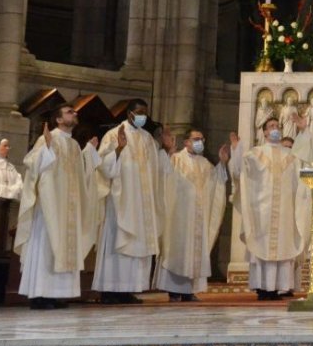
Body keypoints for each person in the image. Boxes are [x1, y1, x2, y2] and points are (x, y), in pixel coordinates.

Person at [15, 106, 100, 309]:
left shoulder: (73, 145)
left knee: (63, 247)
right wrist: (45, 148)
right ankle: (38, 295)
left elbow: (83, 176)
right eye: (70, 112)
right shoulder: (48, 138)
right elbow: (33, 165)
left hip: (68, 207)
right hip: (49, 207)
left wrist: (89, 152)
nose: (75, 114)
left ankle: (54, 294)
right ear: (58, 120)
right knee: (46, 247)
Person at [92, 100, 166, 304]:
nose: (143, 116)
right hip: (121, 200)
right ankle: (110, 290)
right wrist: (118, 150)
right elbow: (104, 166)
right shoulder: (114, 134)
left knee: (137, 245)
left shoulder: (148, 139)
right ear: (129, 113)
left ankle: (128, 289)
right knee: (120, 241)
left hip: (141, 202)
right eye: (139, 112)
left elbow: (156, 171)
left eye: (145, 113)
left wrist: (165, 150)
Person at [231, 117, 312, 300]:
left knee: (283, 246)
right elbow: (239, 173)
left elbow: (307, 164)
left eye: (277, 126)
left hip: (284, 211)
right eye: (271, 126)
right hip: (262, 210)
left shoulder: (291, 156)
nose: (275, 129)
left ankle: (279, 287)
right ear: (265, 132)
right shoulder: (255, 153)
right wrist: (236, 150)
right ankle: (262, 288)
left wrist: (304, 132)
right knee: (262, 246)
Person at [156, 129, 229, 301]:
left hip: (197, 217)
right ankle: (173, 290)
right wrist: (167, 151)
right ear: (186, 142)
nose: (200, 142)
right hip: (178, 216)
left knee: (193, 252)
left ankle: (189, 291)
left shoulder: (205, 163)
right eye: (196, 139)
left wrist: (223, 164)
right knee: (177, 250)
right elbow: (164, 178)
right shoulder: (176, 159)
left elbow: (216, 182)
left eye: (202, 139)